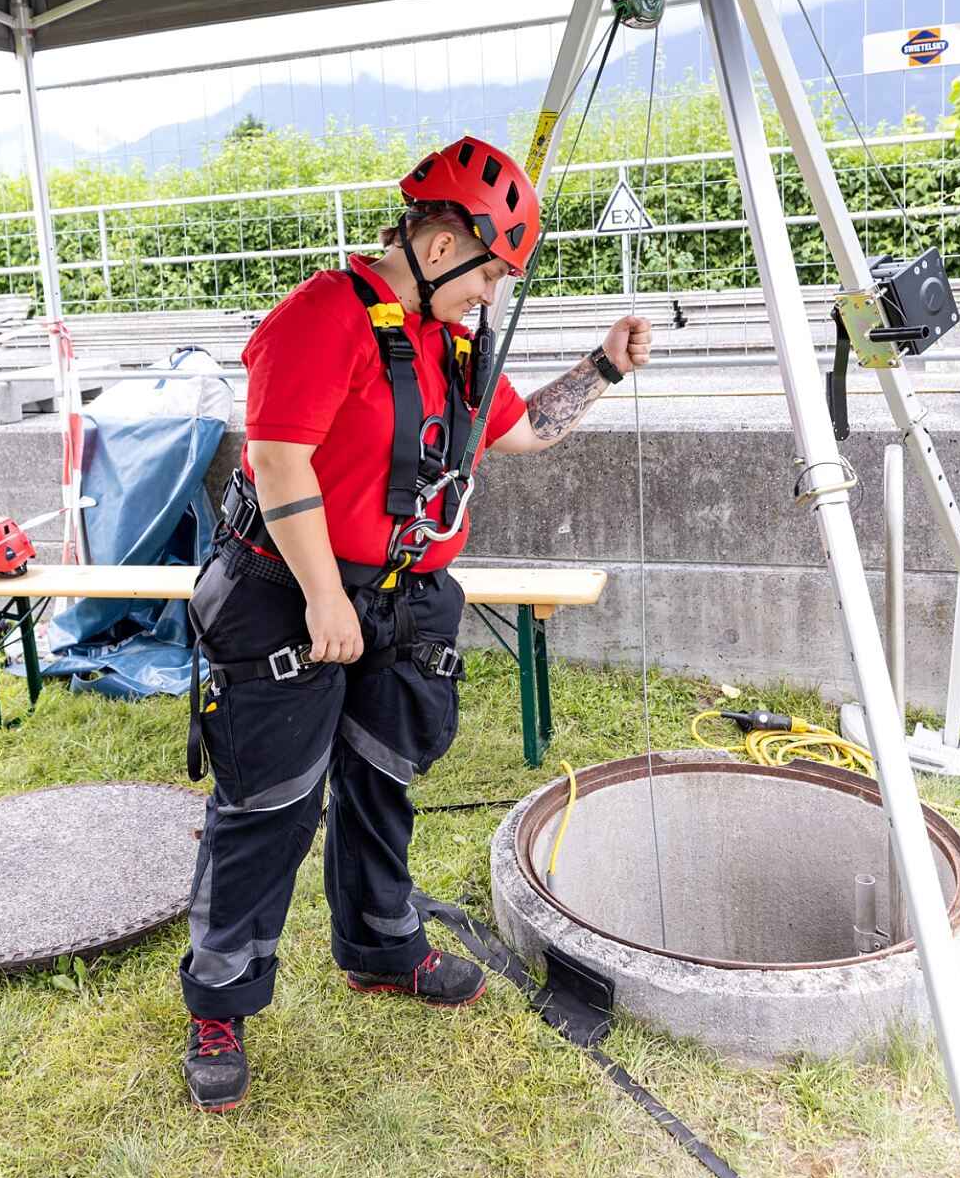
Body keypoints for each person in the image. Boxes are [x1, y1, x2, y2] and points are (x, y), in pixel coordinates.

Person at [181, 135, 652, 1111]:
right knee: (269, 802)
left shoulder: (454, 339)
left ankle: (379, 947)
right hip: (289, 590)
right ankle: (220, 996)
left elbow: (519, 430)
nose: (492, 297)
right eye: (491, 275)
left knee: (378, 780)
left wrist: (603, 366)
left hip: (403, 598)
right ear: (442, 247)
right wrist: (319, 596)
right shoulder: (319, 319)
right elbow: (277, 462)